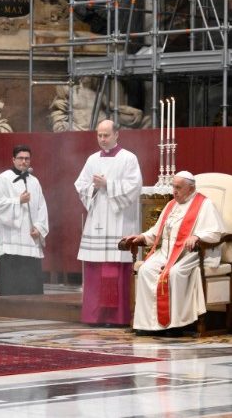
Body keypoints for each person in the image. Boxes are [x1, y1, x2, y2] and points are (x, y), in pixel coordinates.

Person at [122, 172, 225, 335]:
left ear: (191, 188)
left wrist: (198, 236)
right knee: (145, 270)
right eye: (173, 187)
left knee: (175, 273)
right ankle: (149, 324)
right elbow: (156, 232)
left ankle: (176, 325)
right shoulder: (171, 205)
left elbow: (216, 233)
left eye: (178, 187)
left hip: (191, 254)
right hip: (166, 253)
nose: (174, 191)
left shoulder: (205, 205)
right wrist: (141, 236)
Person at [75, 120, 142, 326]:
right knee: (96, 270)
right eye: (99, 135)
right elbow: (80, 184)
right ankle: (94, 316)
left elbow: (134, 186)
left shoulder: (128, 158)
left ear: (116, 135)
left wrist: (108, 185)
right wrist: (93, 189)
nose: (102, 139)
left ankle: (116, 318)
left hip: (119, 220)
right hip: (97, 219)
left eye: (106, 135)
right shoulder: (92, 159)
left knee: (116, 268)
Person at [0, 145, 49, 295]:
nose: (24, 161)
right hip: (12, 236)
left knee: (31, 280)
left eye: (27, 159)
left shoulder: (34, 181)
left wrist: (39, 228)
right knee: (12, 280)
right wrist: (18, 201)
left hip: (30, 238)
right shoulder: (4, 178)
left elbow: (42, 207)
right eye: (20, 158)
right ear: (13, 159)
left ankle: (33, 306)